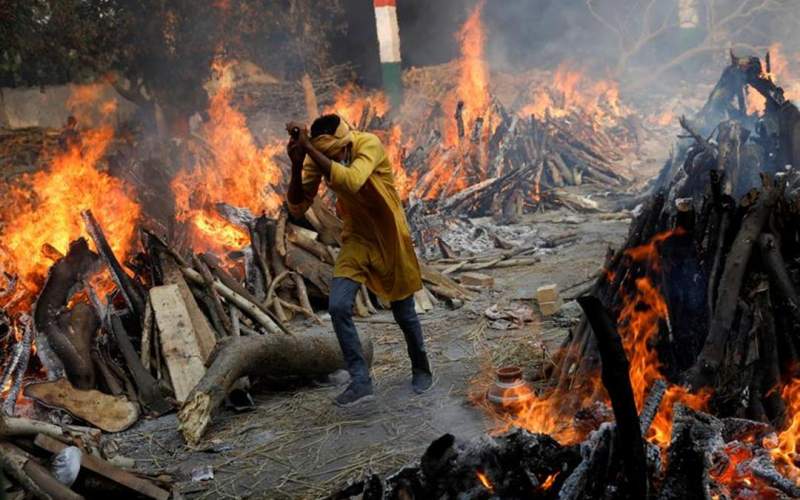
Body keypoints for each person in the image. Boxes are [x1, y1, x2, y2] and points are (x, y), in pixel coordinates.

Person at [285, 114, 433, 406]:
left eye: (335, 152)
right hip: (357, 238)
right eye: (327, 154)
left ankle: (421, 368)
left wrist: (311, 149)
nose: (334, 158)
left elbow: (352, 180)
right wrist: (297, 162)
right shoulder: (319, 156)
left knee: (404, 312)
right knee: (338, 305)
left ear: (344, 141)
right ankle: (361, 380)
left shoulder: (369, 143)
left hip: (389, 236)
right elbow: (298, 206)